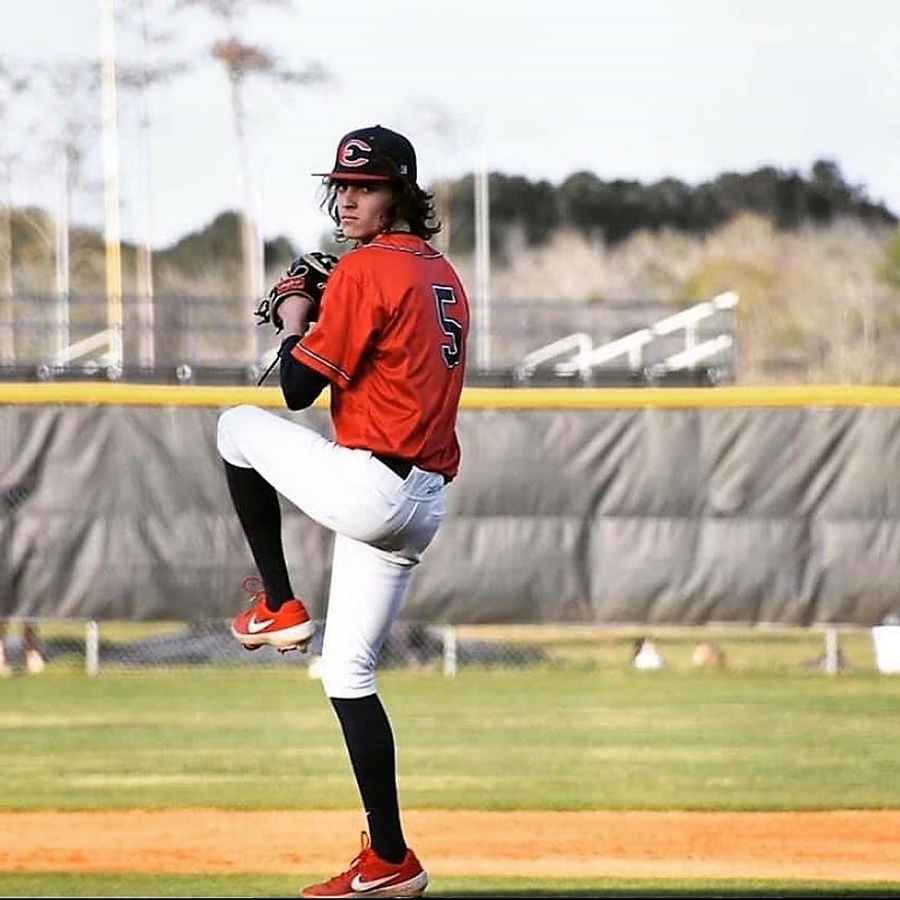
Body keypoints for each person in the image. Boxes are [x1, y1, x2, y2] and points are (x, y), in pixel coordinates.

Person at [217, 124, 469, 899]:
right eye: (344, 186)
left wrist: (298, 311)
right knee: (348, 672)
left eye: (368, 186)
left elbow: (295, 391)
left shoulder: (364, 270)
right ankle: (391, 859)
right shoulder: (443, 274)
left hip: (375, 484)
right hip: (421, 498)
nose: (350, 197)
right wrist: (327, 304)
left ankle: (279, 603)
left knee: (235, 426)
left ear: (403, 192)